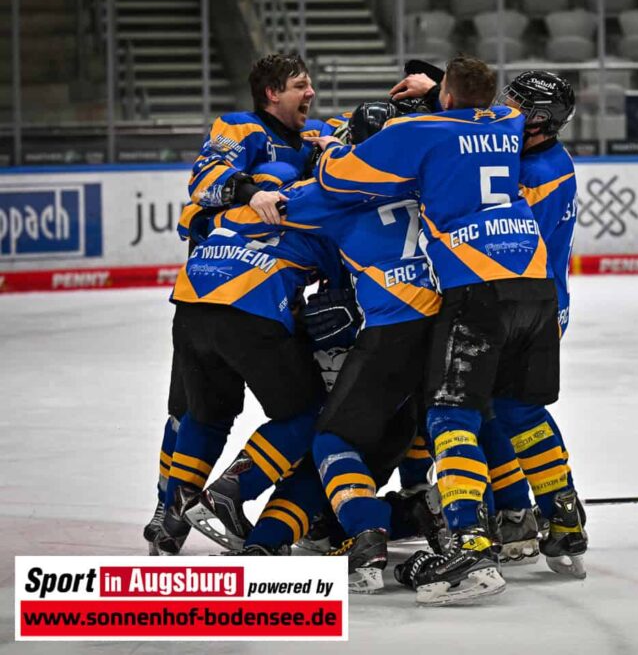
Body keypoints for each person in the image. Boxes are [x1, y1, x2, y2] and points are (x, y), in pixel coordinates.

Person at [304, 55, 557, 605]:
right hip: (531, 280)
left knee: (443, 415)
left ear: (443, 98)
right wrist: (443, 85)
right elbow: (487, 105)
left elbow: (333, 180)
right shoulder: (505, 123)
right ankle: (535, 518)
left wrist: (329, 150)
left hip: (466, 289)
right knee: (500, 411)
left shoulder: (415, 133)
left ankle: (466, 544)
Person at [206, 100, 445, 592]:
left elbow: (260, 216)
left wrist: (257, 189)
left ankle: (365, 535)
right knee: (422, 429)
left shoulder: (335, 195)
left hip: (389, 336)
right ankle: (457, 515)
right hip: (446, 332)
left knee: (329, 441)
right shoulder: (429, 181)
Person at [391, 68, 588, 578]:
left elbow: (469, 144)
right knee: (517, 410)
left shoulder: (527, 168)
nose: (504, 108)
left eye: (516, 105)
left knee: (459, 411)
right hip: (544, 300)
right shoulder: (547, 155)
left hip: (497, 292)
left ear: (539, 121)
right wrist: (438, 90)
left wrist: (436, 104)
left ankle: (493, 524)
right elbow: (484, 121)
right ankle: (561, 516)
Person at [144, 52, 337, 555]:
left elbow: (364, 139)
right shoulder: (240, 127)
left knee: (207, 413)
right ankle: (171, 511)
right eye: (300, 85)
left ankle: (180, 512)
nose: (310, 93)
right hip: (236, 288)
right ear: (272, 93)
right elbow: (204, 182)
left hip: (220, 295)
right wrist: (250, 191)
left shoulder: (316, 134)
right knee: (191, 412)